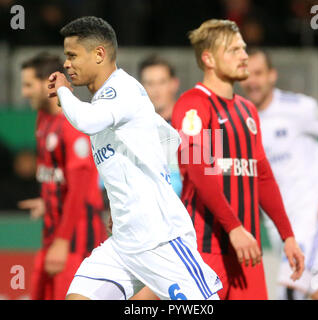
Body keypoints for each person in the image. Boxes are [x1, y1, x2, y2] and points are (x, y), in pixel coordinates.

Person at [48, 16, 223, 300]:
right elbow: (165, 143)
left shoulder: (122, 90)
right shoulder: (108, 101)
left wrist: (65, 93)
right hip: (124, 243)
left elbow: (86, 121)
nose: (66, 64)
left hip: (160, 239)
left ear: (99, 54)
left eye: (72, 56)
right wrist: (123, 208)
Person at [171, 19, 305, 300]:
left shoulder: (247, 110)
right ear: (208, 58)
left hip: (246, 250)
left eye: (243, 48)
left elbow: (262, 175)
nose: (244, 56)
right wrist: (233, 228)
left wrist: (287, 235)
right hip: (206, 248)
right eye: (233, 50)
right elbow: (199, 170)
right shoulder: (195, 104)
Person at [240, 49, 318, 300]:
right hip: (278, 221)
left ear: (272, 75)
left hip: (311, 212)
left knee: (290, 287)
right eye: (248, 74)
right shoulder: (243, 117)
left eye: (259, 73)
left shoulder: (297, 108)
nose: (253, 81)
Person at [19, 52, 107, 300]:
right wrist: (47, 202)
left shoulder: (72, 123)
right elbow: (57, 178)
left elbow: (80, 187)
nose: (24, 93)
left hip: (76, 242)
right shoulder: (43, 119)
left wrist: (62, 241)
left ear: (47, 83)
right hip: (52, 236)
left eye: (28, 85)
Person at [138, 55, 182, 196]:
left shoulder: (192, 127)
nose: (156, 90)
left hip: (185, 213)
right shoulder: (132, 130)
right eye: (149, 83)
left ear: (174, 84)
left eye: (162, 82)